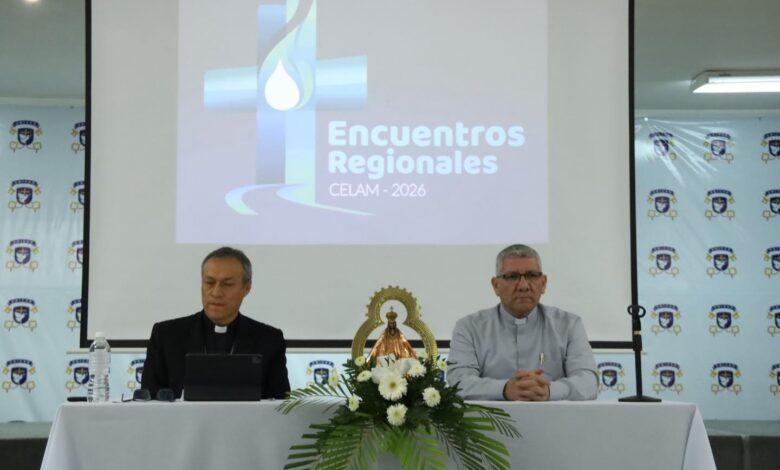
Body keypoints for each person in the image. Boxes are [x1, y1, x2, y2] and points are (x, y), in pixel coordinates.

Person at [447, 244, 597, 401]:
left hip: (554, 422)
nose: (524, 286)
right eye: (512, 277)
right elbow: (458, 382)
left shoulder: (568, 325)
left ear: (544, 283)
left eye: (532, 275)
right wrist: (505, 389)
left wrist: (549, 390)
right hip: (492, 424)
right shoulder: (470, 328)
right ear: (496, 285)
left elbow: (588, 381)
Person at [141, 247, 290, 399]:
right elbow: (148, 402)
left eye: (227, 284)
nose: (216, 292)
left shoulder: (269, 340)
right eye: (209, 282)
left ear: (246, 287)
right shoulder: (167, 336)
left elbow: (280, 407)